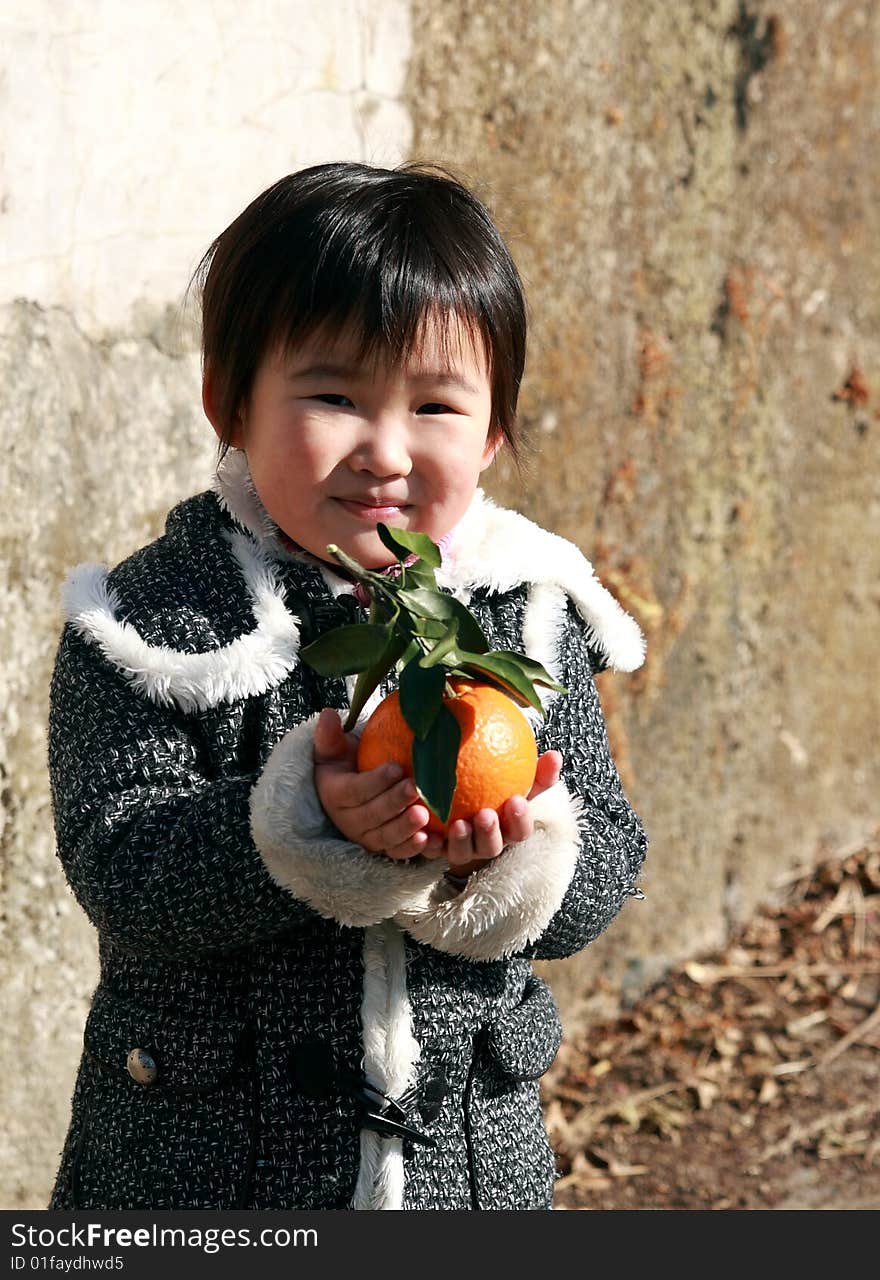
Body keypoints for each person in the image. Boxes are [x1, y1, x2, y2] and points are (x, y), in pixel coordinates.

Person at [47, 161, 649, 1211]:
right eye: (333, 395)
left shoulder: (524, 616)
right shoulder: (153, 618)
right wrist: (288, 826)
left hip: (463, 1169)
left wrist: (521, 852)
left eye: (435, 405)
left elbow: (606, 852)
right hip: (200, 1172)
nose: (384, 450)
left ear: (494, 431)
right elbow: (121, 859)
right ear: (228, 401)